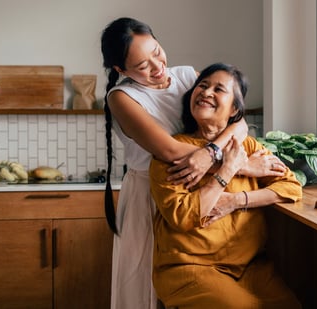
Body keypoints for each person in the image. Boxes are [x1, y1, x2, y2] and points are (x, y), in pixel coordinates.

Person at [100, 18, 287, 309]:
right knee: (146, 288)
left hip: (202, 190)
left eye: (156, 51)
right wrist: (238, 165)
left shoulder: (188, 76)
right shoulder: (122, 98)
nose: (157, 66)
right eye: (141, 66)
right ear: (120, 70)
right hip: (152, 194)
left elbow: (238, 121)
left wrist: (211, 152)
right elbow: (170, 151)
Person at [149, 63, 303, 308]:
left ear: (234, 110)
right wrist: (228, 169)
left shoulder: (249, 147)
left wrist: (235, 201)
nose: (206, 92)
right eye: (202, 85)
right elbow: (182, 215)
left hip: (250, 267)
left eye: (218, 89)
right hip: (189, 267)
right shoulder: (172, 152)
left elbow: (291, 186)